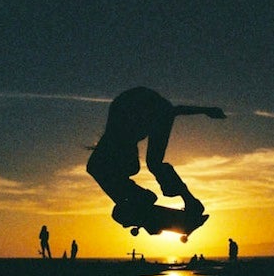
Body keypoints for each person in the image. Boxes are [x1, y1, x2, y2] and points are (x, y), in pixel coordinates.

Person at [87, 87, 226, 218]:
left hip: (150, 109)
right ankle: (190, 202)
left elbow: (173, 111)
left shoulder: (119, 133)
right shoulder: (117, 135)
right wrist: (206, 110)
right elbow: (175, 110)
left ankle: (144, 197)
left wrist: (206, 110)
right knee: (152, 164)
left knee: (148, 164)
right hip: (146, 108)